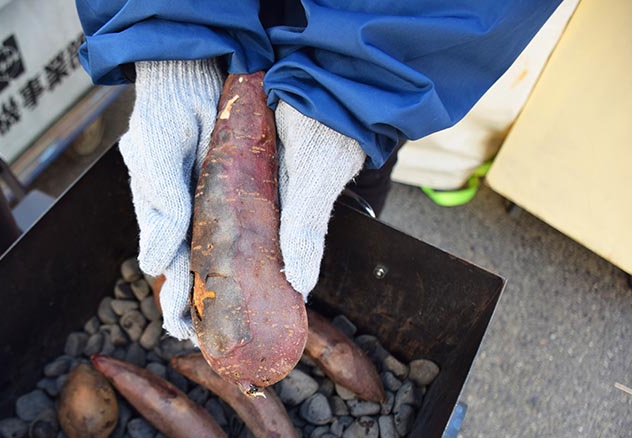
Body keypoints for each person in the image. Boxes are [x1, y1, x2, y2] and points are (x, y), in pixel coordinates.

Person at [75, 0, 561, 342]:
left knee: (328, 196)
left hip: (381, 32)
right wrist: (167, 37)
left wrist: (354, 88)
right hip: (220, 31)